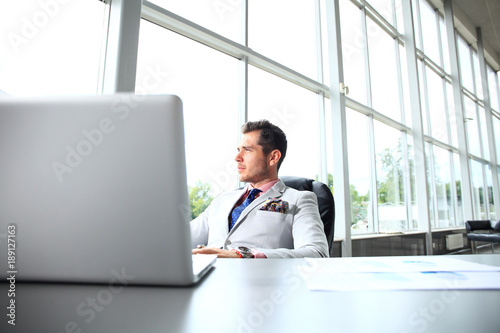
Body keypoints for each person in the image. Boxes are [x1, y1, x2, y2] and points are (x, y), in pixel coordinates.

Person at [190, 120, 329, 258]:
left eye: (247, 150)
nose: (237, 158)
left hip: (259, 278)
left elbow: (317, 253)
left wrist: (244, 255)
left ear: (273, 157)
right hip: (208, 276)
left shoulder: (299, 200)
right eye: (239, 150)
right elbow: (180, 238)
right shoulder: (221, 200)